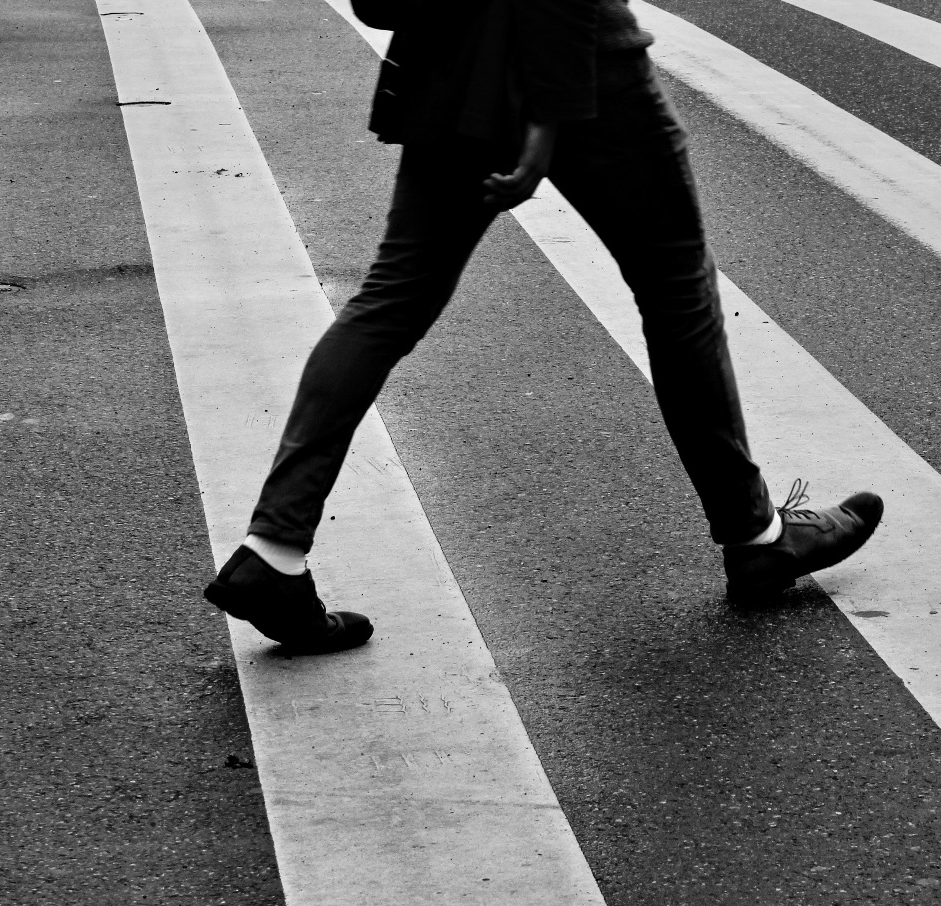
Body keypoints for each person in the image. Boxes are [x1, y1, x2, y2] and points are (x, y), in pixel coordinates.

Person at [202, 0, 883, 654]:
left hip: (453, 57)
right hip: (575, 57)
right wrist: (549, 108)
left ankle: (274, 550)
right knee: (677, 291)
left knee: (392, 299)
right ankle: (756, 538)